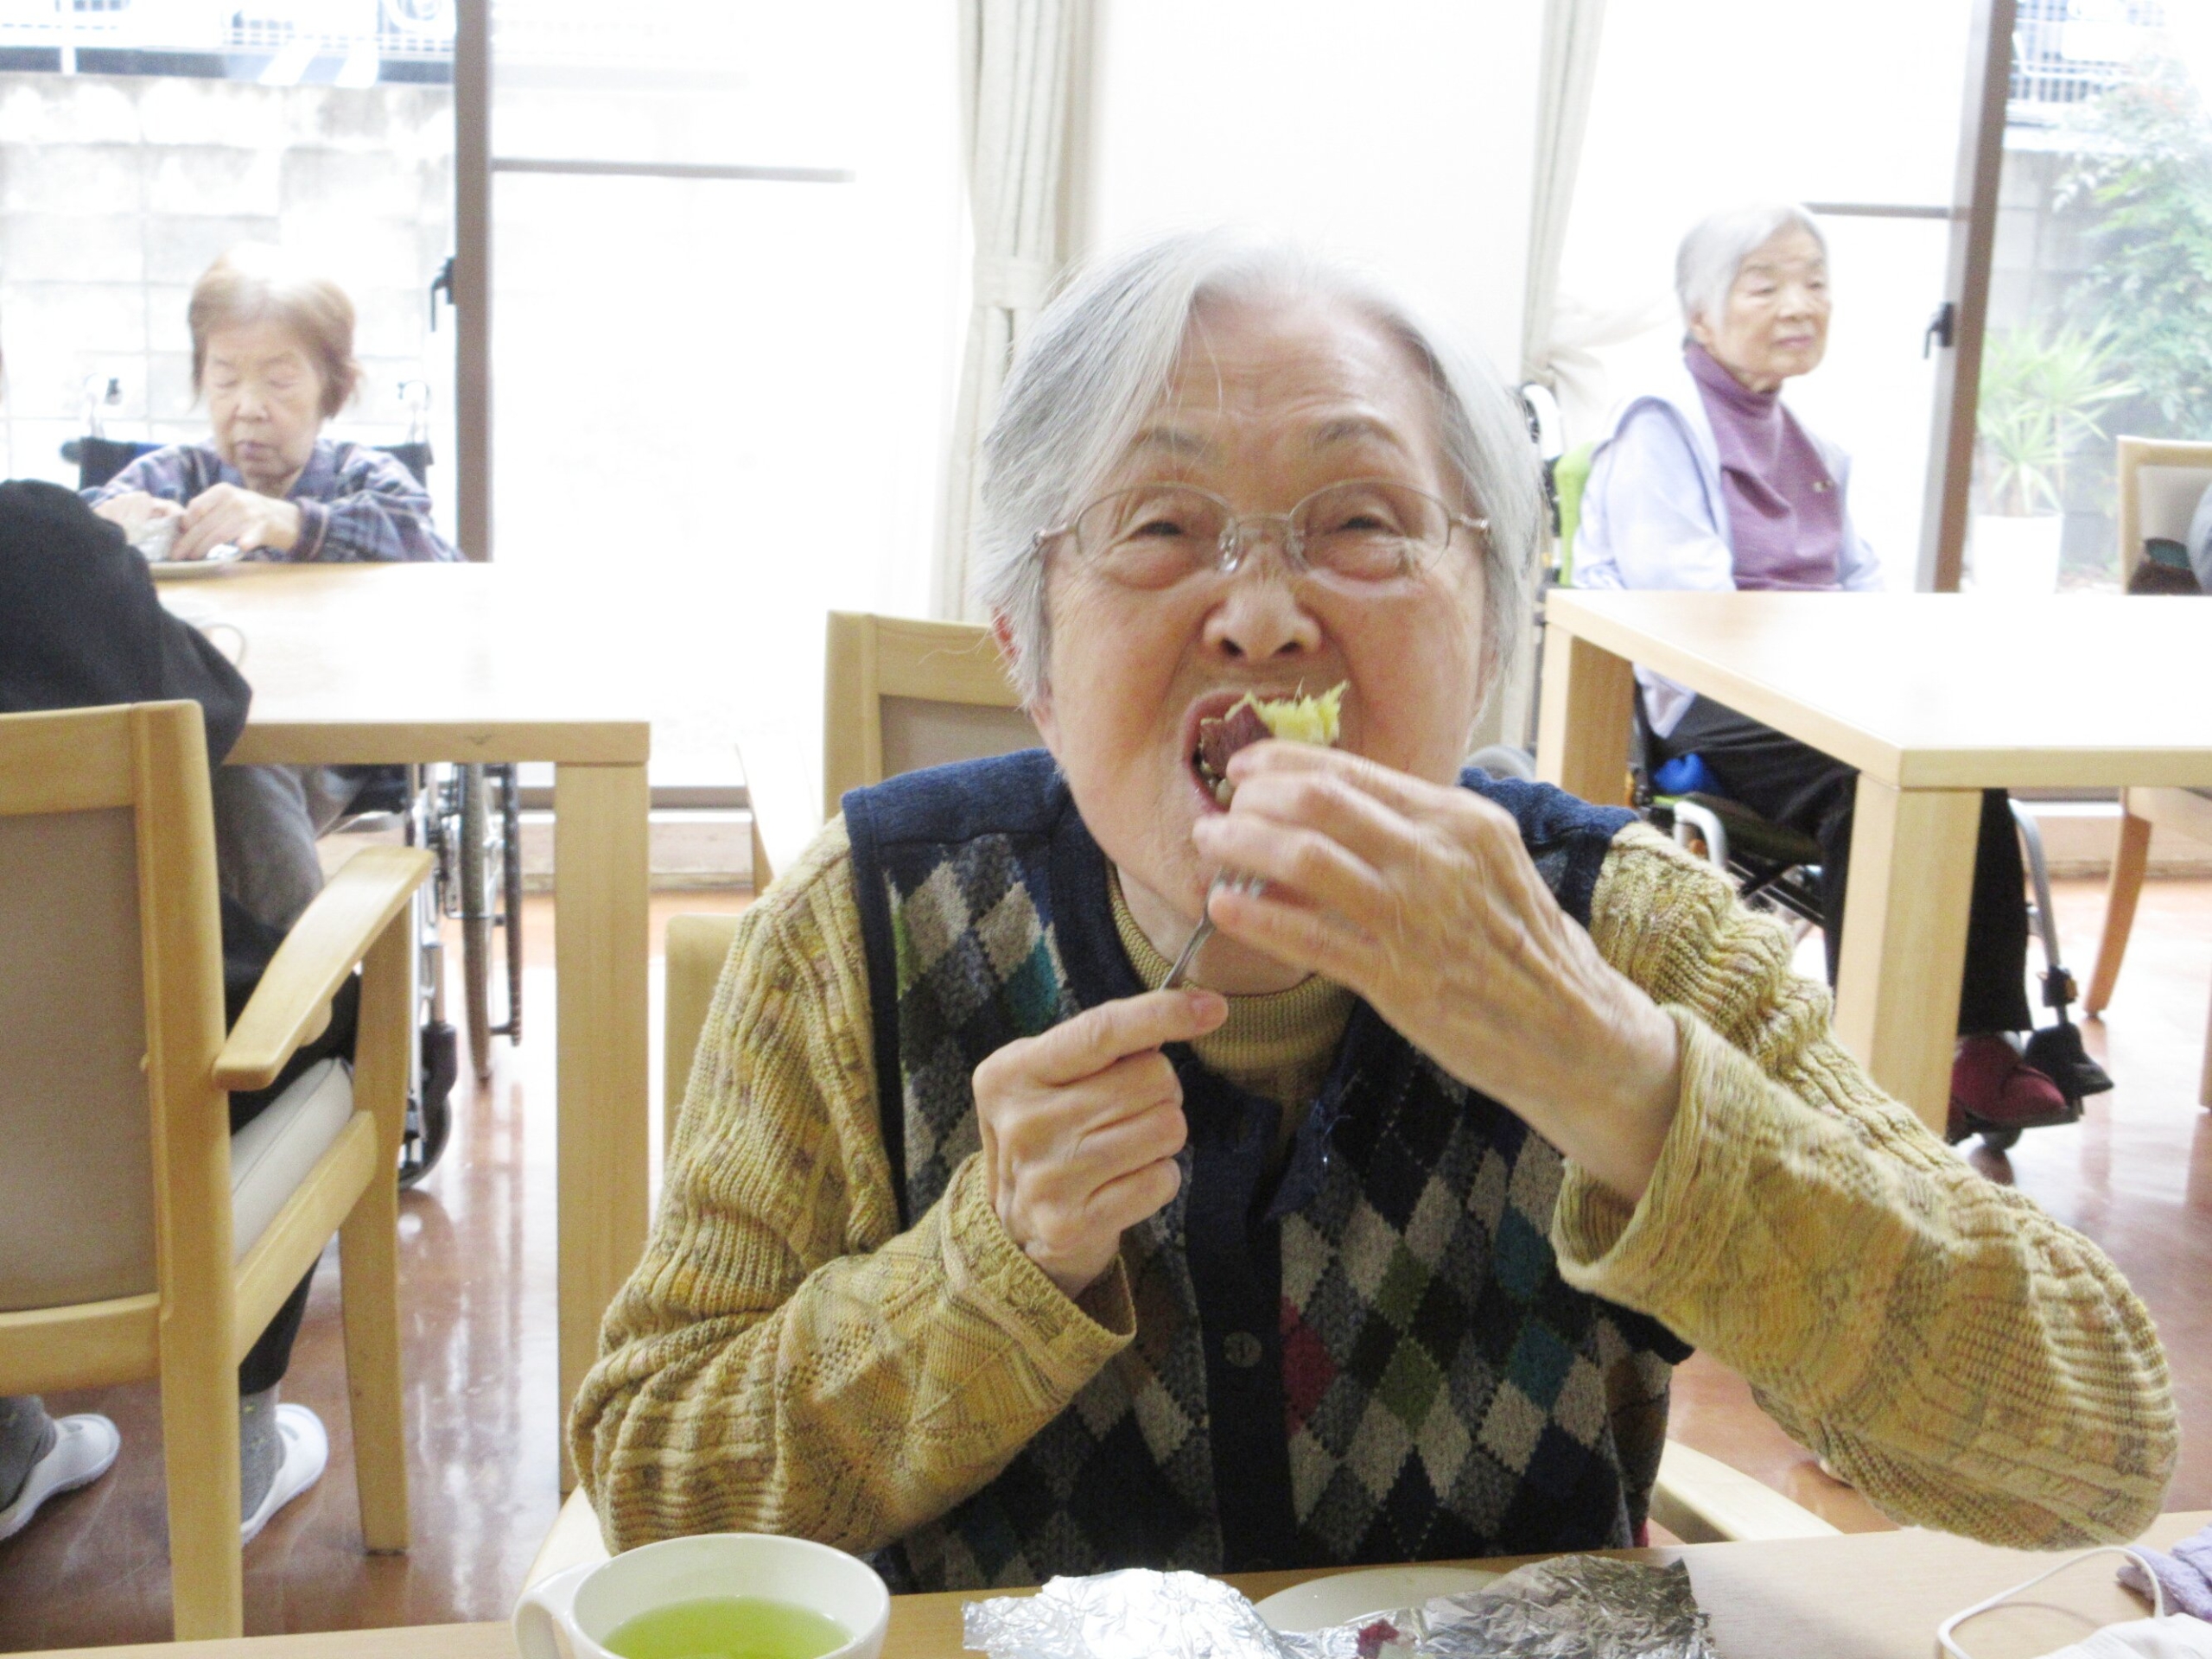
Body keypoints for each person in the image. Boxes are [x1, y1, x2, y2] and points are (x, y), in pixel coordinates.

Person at [571, 231, 2174, 1589]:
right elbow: (655, 1484)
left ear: (1490, 621)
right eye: (1160, 528)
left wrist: (1621, 1080)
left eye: (1360, 523)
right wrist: (990, 1267)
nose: (1265, 617)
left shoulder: (1627, 941)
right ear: (1025, 646)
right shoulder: (863, 934)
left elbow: (2089, 1454)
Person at [1573, 202, 2065, 1139]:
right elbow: (1690, 614)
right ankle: (1871, 1065)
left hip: (1818, 692)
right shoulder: (1660, 429)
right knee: (1868, 782)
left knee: (1961, 771)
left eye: (1814, 281)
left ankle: (1978, 1046)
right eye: (1763, 284)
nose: (1797, 303)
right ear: (1700, 314)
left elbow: (1861, 584)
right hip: (1713, 702)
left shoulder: (1807, 443)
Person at [0, 476, 345, 1547]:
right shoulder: (44, 544)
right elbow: (214, 709)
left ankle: (11, 1438)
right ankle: (238, 1444)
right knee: (310, 993)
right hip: (127, 1181)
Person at [82, 244, 460, 933]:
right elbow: (70, 536)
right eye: (224, 380)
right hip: (170, 747)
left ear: (331, 388)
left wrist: (288, 520)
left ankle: (295, 1001)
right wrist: (115, 525)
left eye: (279, 383)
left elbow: (430, 552)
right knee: (212, 745)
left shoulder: (360, 476)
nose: (248, 408)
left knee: (238, 754)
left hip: (326, 747)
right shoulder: (170, 475)